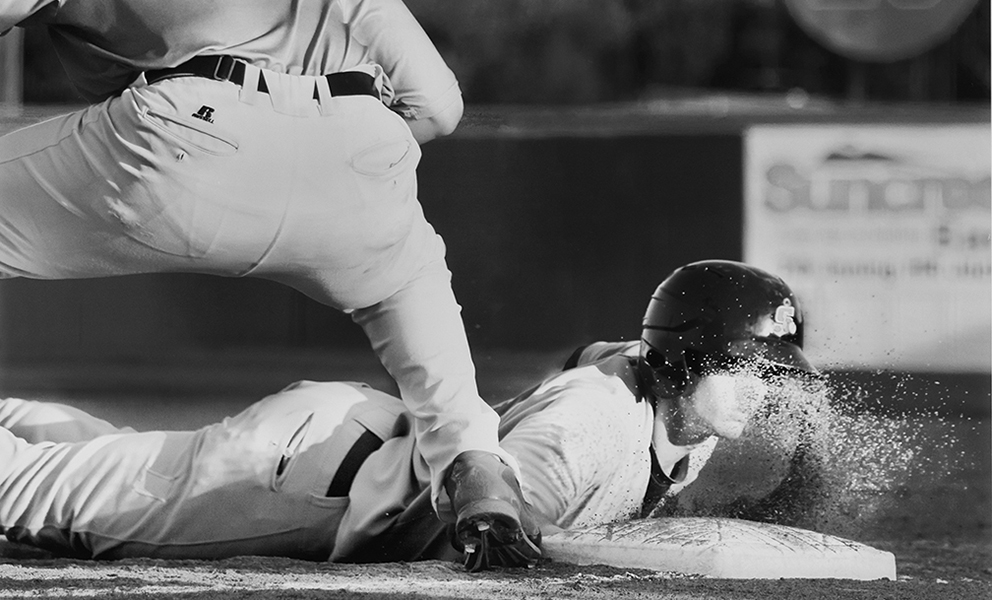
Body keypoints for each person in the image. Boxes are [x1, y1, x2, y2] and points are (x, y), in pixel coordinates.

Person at [0, 1, 526, 553]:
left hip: (190, 128)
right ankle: (474, 462)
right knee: (429, 342)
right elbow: (439, 108)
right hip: (358, 146)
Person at [0, 260, 818, 570]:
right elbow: (496, 518)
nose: (763, 387)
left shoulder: (676, 405)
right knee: (46, 503)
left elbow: (591, 355)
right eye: (745, 366)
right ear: (682, 360)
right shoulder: (594, 428)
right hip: (306, 484)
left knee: (107, 465)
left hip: (343, 445)